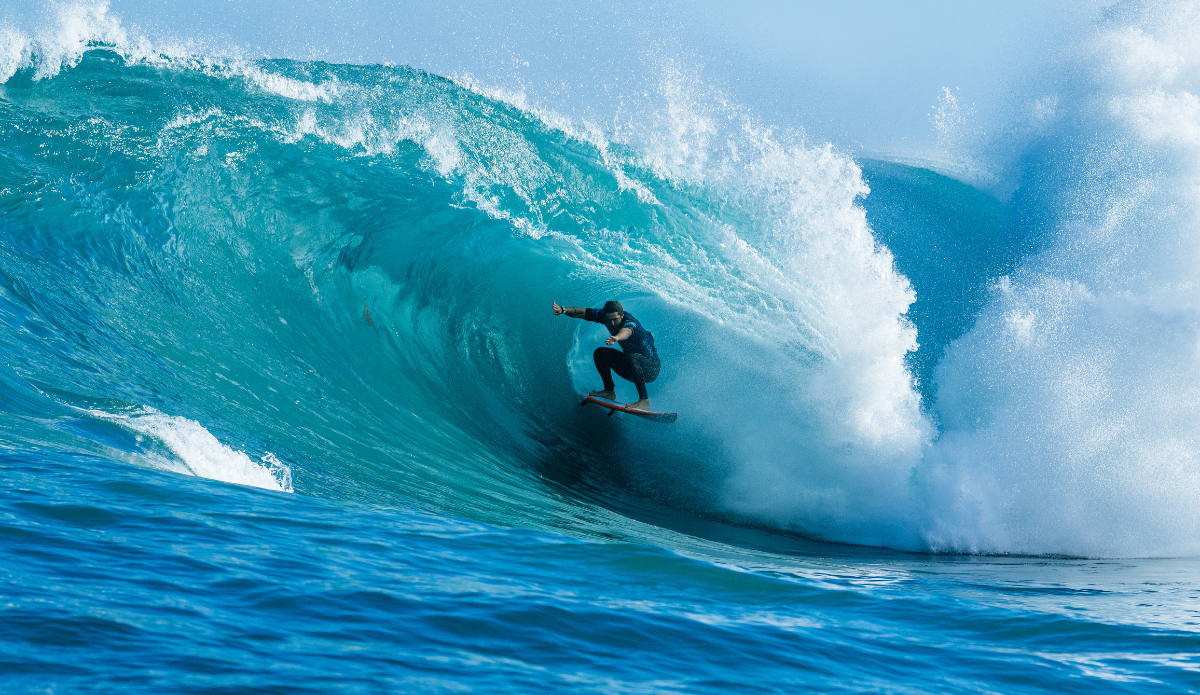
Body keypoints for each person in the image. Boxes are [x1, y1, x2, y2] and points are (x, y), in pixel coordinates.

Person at [552, 299, 660, 411]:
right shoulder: (604, 316)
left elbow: (627, 331)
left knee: (632, 357)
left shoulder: (630, 322)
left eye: (615, 319)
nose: (612, 323)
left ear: (622, 315)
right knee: (600, 353)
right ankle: (609, 391)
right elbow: (582, 313)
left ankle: (644, 401)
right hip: (632, 369)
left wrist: (617, 337)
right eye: (609, 320)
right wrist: (563, 310)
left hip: (651, 368)